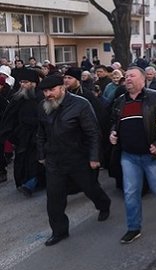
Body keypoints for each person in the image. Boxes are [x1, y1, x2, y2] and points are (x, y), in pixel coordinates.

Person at [37, 75, 112, 247]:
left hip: (78, 158)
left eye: (51, 90)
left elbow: (93, 133)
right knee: (54, 199)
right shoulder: (43, 107)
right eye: (45, 91)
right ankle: (59, 231)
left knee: (90, 188)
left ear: (62, 88)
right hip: (54, 160)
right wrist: (41, 154)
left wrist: (94, 157)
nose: (48, 94)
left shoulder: (80, 104)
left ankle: (103, 204)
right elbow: (40, 132)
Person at [108, 67, 156, 244]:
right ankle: (133, 228)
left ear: (143, 80)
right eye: (126, 76)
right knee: (130, 193)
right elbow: (114, 122)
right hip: (129, 156)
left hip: (153, 156)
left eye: (131, 76)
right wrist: (112, 133)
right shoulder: (120, 101)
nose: (127, 78)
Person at [0, 69, 43, 196]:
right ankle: (23, 182)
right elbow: (9, 117)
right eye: (21, 82)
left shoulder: (42, 97)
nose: (23, 85)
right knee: (22, 162)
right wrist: (10, 134)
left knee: (36, 163)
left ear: (34, 83)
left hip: (38, 137)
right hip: (22, 137)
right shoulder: (17, 97)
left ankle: (31, 184)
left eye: (26, 82)